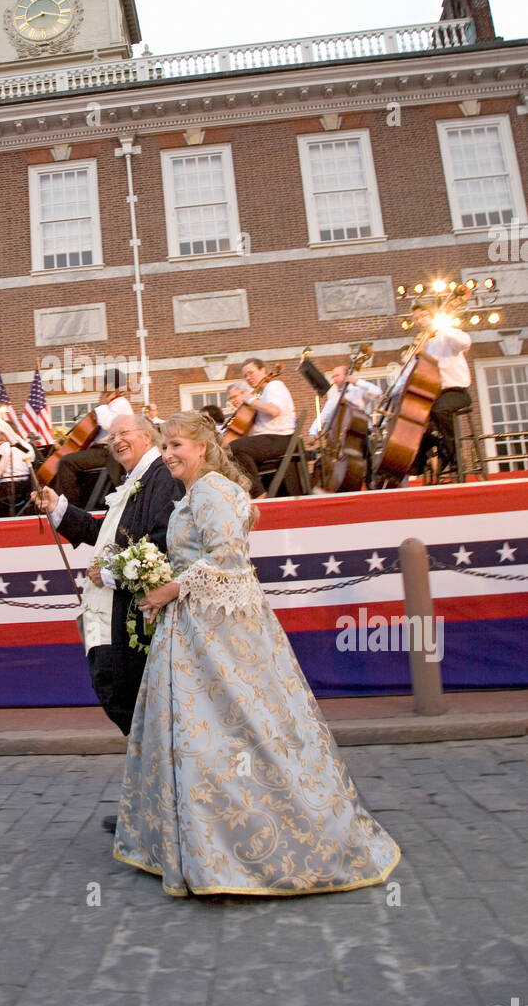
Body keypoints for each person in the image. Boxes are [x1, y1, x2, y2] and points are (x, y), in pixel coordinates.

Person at [114, 412, 401, 897]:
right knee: (204, 732)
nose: (168, 454)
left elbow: (227, 557)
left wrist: (169, 590)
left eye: (177, 444)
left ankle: (242, 849)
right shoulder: (197, 494)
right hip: (193, 629)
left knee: (237, 727)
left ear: (203, 447)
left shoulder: (212, 491)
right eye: (164, 446)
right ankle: (203, 845)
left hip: (219, 634)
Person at [33, 414, 183, 758]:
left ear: (147, 436)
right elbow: (104, 534)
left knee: (126, 696)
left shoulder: (160, 477)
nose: (116, 441)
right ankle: (152, 784)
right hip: (109, 613)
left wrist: (112, 573)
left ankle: (157, 785)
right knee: (119, 695)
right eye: (111, 437)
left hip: (130, 617)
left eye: (124, 433)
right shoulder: (136, 480)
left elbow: (161, 543)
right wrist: (58, 507)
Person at [54, 368, 133, 507]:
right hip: (100, 450)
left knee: (66, 462)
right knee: (69, 461)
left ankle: (69, 507)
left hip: (108, 452)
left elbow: (109, 425)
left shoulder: (121, 403)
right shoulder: (112, 403)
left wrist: (102, 406)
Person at [410, 305, 473, 475]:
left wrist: (442, 326)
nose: (420, 321)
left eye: (423, 315)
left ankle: (455, 457)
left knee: (440, 410)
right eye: (416, 319)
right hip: (436, 394)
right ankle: (425, 458)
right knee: (418, 418)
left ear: (433, 315)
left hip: (457, 392)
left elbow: (465, 342)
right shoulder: (428, 344)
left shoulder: (449, 334)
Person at [226, 359, 301, 497]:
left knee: (235, 447)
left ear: (263, 370)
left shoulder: (274, 386)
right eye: (246, 376)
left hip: (281, 439)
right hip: (270, 439)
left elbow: (274, 410)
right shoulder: (262, 394)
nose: (249, 378)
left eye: (251, 373)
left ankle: (258, 493)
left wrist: (249, 400)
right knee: (232, 450)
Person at [308, 364, 382, 440]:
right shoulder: (334, 399)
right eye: (333, 377)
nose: (334, 379)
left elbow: (378, 392)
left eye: (337, 376)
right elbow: (323, 416)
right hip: (345, 438)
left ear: (347, 376)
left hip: (364, 433)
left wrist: (357, 382)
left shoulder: (359, 391)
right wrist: (313, 432)